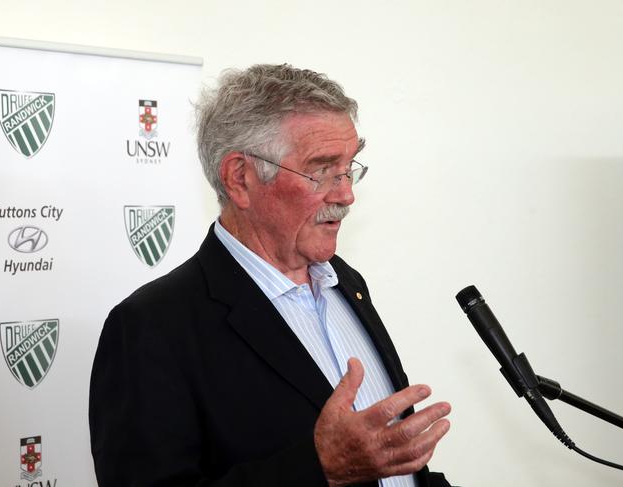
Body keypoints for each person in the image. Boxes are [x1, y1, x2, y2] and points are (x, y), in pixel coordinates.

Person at [89, 64, 455, 487]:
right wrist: (319, 469)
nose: (346, 193)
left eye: (348, 167)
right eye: (321, 170)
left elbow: (392, 472)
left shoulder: (346, 284)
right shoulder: (151, 327)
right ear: (240, 178)